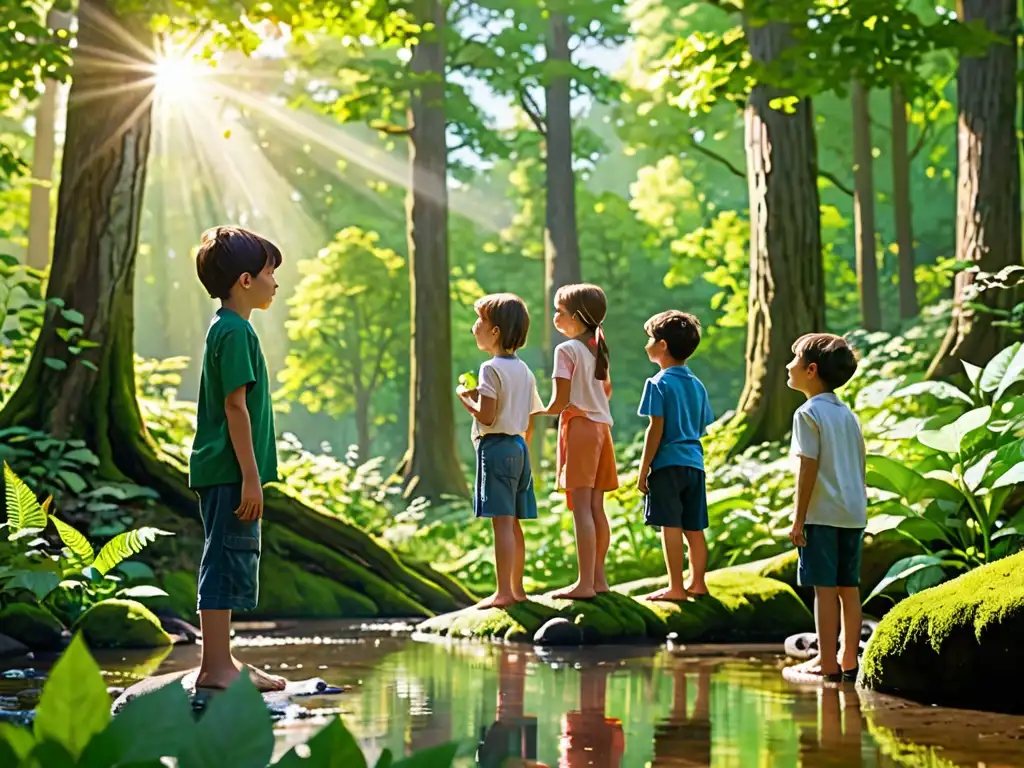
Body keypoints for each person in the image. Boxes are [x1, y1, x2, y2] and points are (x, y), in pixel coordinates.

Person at [188, 225, 287, 692]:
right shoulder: (235, 333)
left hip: (227, 470)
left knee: (227, 554)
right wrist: (250, 475)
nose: (275, 282)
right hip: (230, 470)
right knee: (224, 558)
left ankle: (222, 659)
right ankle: (215, 667)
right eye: (270, 272)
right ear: (245, 280)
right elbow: (234, 405)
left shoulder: (228, 329)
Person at [786, 333, 866, 682]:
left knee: (824, 588)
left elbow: (809, 467)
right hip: (852, 512)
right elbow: (861, 463)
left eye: (795, 360)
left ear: (811, 370)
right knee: (849, 587)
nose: (789, 366)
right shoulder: (846, 414)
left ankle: (826, 661)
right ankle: (849, 658)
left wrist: (798, 519)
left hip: (822, 513)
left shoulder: (807, 413)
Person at [457, 293, 543, 609]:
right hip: (519, 447)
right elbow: (530, 414)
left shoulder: (489, 369)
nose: (474, 327)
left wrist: (466, 400)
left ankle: (503, 593)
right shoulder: (525, 371)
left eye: (480, 321)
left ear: (495, 332)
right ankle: (518, 589)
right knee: (514, 522)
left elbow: (489, 416)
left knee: (501, 523)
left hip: (495, 448)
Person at [540, 283, 618, 601]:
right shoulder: (596, 348)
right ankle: (598, 580)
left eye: (559, 311)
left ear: (576, 316)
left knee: (582, 509)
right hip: (602, 429)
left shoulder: (567, 350)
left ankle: (585, 584)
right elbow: (606, 392)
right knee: (596, 508)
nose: (555, 316)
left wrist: (533, 410)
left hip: (581, 429)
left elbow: (559, 401)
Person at [636, 311, 714, 603]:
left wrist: (644, 469)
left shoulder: (657, 383)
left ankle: (676, 588)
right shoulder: (698, 386)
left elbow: (655, 429)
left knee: (671, 525)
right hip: (695, 464)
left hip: (667, 464)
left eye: (650, 339)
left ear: (663, 345)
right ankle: (698, 583)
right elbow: (700, 425)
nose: (647, 344)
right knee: (694, 528)